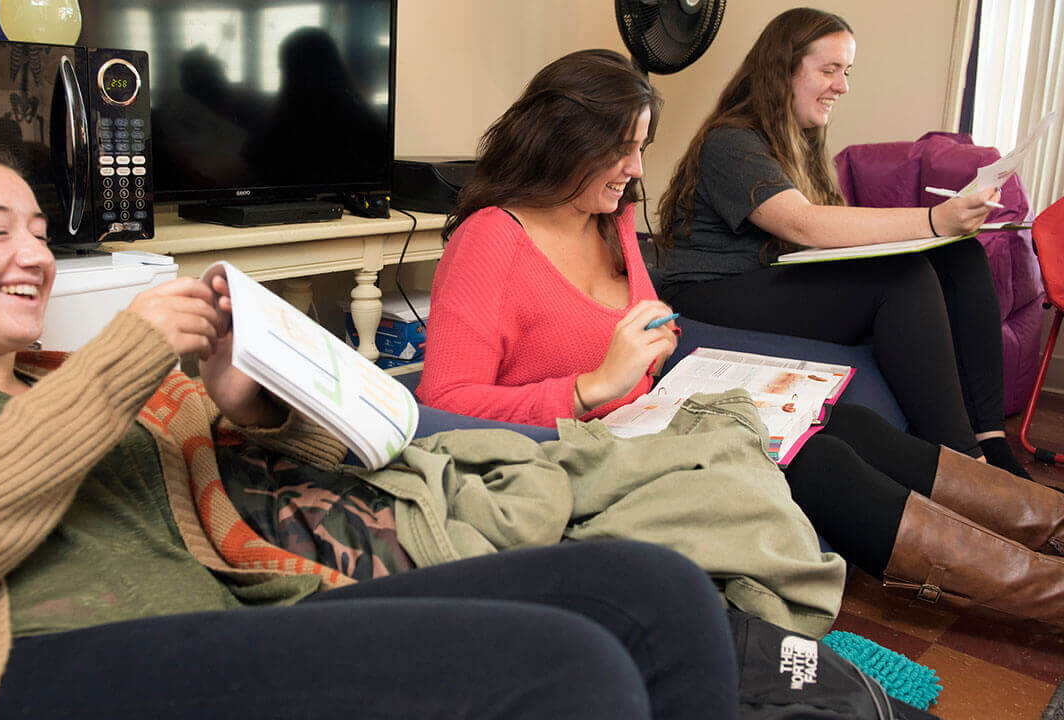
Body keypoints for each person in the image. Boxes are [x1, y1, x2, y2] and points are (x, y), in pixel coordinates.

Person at [0, 120, 738, 720]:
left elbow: (354, 453)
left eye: (40, 230)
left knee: (651, 590)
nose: (33, 254)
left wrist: (256, 402)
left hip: (221, 628)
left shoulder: (87, 382)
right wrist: (119, 366)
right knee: (564, 668)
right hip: (23, 670)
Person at [418, 48, 1064, 633]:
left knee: (844, 425)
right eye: (622, 149)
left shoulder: (607, 221)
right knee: (817, 461)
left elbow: (645, 335)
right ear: (563, 143)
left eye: (642, 145)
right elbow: (442, 403)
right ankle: (1053, 596)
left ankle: (1055, 528)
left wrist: (670, 357)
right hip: (581, 450)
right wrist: (590, 389)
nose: (636, 169)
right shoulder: (492, 239)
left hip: (657, 421)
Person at [653, 7, 1029, 479]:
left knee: (961, 255)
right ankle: (964, 466)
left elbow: (818, 239)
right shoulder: (731, 141)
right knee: (903, 279)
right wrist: (934, 219)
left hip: (774, 272)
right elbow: (805, 226)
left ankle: (990, 440)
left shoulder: (800, 143)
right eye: (829, 70)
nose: (842, 86)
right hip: (714, 288)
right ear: (780, 71)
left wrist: (942, 233)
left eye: (845, 72)